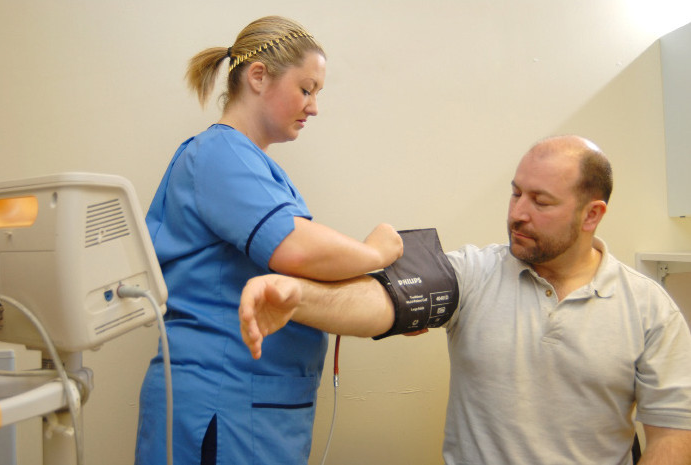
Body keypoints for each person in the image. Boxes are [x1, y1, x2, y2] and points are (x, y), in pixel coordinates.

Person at [240, 135, 691, 464]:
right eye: (515, 192)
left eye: (541, 201)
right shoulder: (475, 272)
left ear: (592, 214)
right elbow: (377, 303)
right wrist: (297, 297)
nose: (517, 213)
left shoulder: (650, 309)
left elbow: (673, 435)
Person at [135, 16, 403, 465]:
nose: (313, 106)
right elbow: (295, 249)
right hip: (224, 401)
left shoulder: (251, 165)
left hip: (256, 403)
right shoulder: (218, 154)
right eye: (306, 88)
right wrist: (376, 252)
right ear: (258, 77)